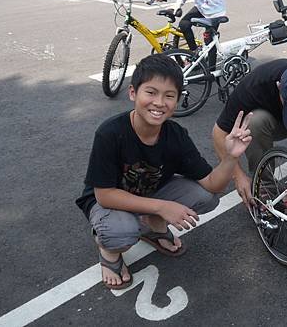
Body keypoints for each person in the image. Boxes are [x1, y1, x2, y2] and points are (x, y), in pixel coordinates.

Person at [76, 54, 252, 290]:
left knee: (206, 198)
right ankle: (108, 251)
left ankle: (152, 225)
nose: (159, 102)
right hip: (110, 202)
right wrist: (162, 207)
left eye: (169, 96)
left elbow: (213, 185)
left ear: (177, 100)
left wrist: (231, 157)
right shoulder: (110, 133)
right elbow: (104, 195)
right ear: (132, 93)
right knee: (121, 233)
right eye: (151, 92)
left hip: (150, 192)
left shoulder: (175, 135)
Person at [212, 59, 287, 209]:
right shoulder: (255, 84)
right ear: (279, 87)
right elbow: (218, 133)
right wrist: (238, 176)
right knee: (254, 121)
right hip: (273, 120)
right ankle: (265, 186)